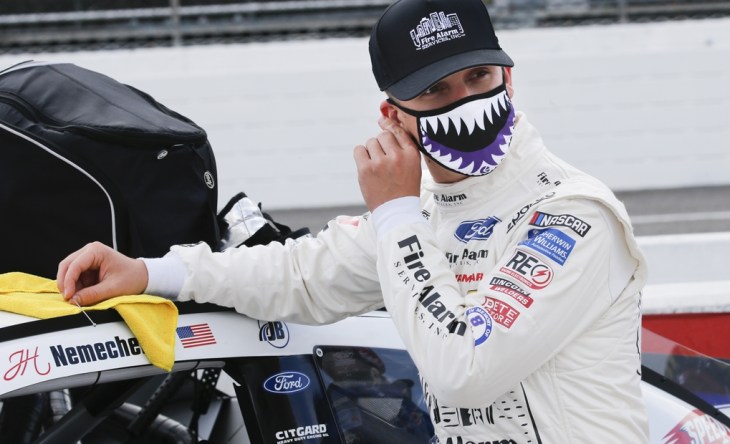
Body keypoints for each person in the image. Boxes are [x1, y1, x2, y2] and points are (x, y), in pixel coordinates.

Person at [58, 0, 650, 442]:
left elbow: (466, 369)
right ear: (394, 116)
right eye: (438, 89)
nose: (466, 101)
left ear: (509, 78)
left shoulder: (574, 214)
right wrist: (147, 272)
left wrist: (393, 209)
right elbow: (298, 275)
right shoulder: (418, 216)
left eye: (479, 77)